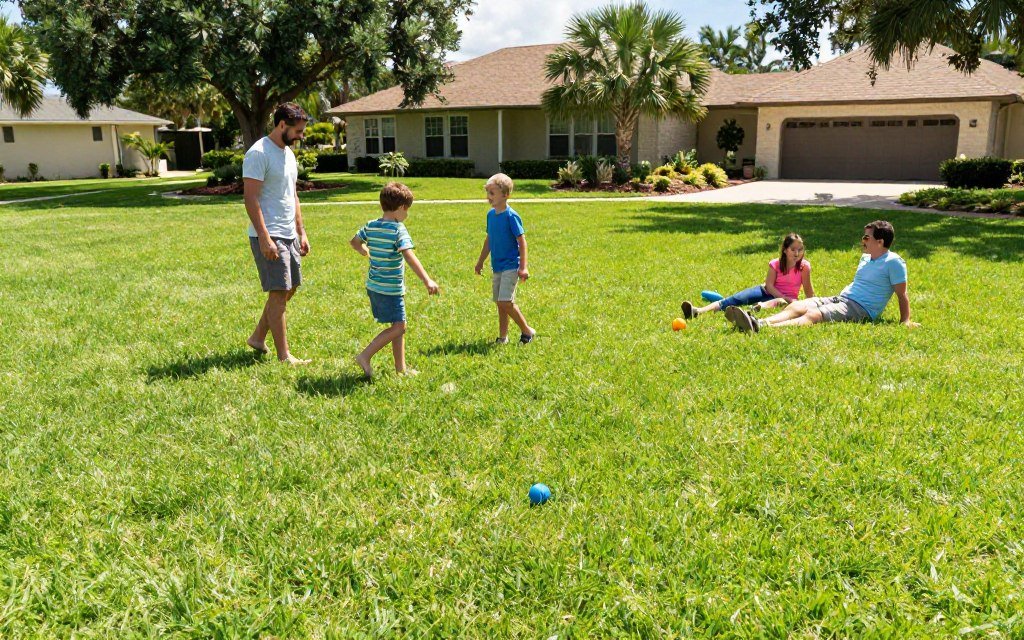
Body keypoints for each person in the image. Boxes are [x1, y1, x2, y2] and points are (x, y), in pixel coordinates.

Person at [727, 220, 920, 333]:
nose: (862, 241)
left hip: (862, 308)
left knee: (814, 315)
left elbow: (902, 295)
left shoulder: (893, 262)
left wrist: (905, 321)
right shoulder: (865, 258)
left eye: (866, 238)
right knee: (798, 305)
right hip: (843, 298)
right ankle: (759, 322)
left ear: (880, 241)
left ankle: (763, 329)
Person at [243, 102, 311, 365]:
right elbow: (250, 199)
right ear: (282, 125)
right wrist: (264, 237)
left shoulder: (288, 154)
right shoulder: (258, 153)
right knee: (279, 293)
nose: (301, 136)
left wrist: (301, 232)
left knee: (290, 288)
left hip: (289, 233)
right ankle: (285, 356)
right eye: (298, 131)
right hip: (270, 233)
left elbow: (292, 195)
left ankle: (258, 337)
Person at [351, 182, 440, 378]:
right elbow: (409, 256)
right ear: (401, 208)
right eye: (407, 210)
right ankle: (365, 356)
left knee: (397, 327)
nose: (407, 215)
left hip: (374, 286)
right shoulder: (398, 230)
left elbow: (354, 241)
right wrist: (427, 280)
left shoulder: (371, 225)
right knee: (400, 327)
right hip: (390, 289)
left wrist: (363, 250)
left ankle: (401, 369)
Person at [681, 233, 813, 320]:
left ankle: (754, 309)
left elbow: (809, 293)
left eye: (800, 249)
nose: (797, 253)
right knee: (732, 300)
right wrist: (782, 296)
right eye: (793, 249)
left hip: (787, 300)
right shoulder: (775, 264)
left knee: (780, 302)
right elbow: (769, 285)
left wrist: (810, 305)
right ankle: (697, 311)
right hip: (765, 291)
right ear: (785, 250)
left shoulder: (804, 267)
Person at [474, 173, 536, 344]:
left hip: (510, 266)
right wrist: (480, 262)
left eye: (492, 193)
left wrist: (523, 267)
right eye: (487, 193)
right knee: (500, 304)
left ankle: (527, 330)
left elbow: (522, 242)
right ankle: (503, 337)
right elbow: (489, 240)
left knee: (505, 301)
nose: (488, 197)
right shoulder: (490, 215)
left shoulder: (511, 216)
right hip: (497, 266)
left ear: (505, 195)